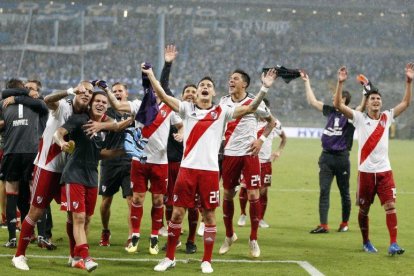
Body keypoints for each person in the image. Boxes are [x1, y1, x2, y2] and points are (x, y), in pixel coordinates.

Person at [144, 63, 277, 273]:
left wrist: (264, 88)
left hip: (209, 172)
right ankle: (169, 257)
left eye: (208, 85)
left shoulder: (222, 111)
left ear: (213, 92)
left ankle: (207, 260)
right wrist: (151, 74)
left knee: (208, 216)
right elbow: (163, 94)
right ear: (196, 94)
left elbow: (251, 108)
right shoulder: (187, 109)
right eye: (201, 86)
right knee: (177, 214)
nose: (205, 87)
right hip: (187, 170)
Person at [11, 81, 94, 270]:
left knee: (73, 216)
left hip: (69, 171)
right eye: (83, 90)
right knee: (36, 211)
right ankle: (19, 255)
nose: (86, 93)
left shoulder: (87, 115)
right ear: (76, 91)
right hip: (47, 167)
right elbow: (47, 99)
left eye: (90, 91)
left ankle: (74, 257)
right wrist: (70, 90)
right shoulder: (64, 105)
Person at [333, 64, 413, 255]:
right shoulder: (359, 118)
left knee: (390, 206)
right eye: (372, 99)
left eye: (378, 99)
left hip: (385, 172)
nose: (376, 101)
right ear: (367, 103)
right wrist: (340, 83)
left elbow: (405, 103)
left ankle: (393, 243)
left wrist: (409, 82)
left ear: (381, 103)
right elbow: (338, 105)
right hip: (366, 174)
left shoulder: (387, 117)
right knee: (364, 210)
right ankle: (366, 241)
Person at [101, 74, 183, 256]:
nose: (153, 92)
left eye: (156, 89)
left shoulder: (170, 109)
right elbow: (117, 105)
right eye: (151, 89)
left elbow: (181, 125)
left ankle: (154, 237)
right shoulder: (138, 105)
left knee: (158, 200)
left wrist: (182, 133)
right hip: (139, 161)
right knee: (137, 199)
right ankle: (135, 235)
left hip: (160, 163)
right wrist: (107, 89)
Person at [55, 91, 129, 272]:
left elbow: (100, 153)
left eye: (104, 102)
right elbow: (59, 132)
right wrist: (61, 142)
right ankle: (85, 257)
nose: (101, 104)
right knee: (78, 217)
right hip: (74, 174)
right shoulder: (80, 119)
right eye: (97, 100)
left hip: (91, 176)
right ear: (90, 104)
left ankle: (75, 256)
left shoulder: (103, 127)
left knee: (85, 219)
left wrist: (123, 152)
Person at [219, 69, 276, 258]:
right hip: (230, 154)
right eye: (230, 78)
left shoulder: (255, 102)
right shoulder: (223, 101)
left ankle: (253, 239)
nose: (231, 80)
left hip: (250, 155)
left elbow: (271, 122)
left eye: (235, 78)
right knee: (227, 194)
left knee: (253, 194)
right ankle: (229, 235)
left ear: (244, 84)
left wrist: (261, 140)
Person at [300, 71, 366, 234]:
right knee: (324, 190)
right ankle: (323, 225)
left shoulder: (351, 115)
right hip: (326, 157)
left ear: (343, 100)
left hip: (342, 158)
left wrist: (365, 91)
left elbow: (361, 107)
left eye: (337, 96)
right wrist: (306, 82)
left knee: (344, 192)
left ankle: (344, 223)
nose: (333, 99)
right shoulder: (330, 111)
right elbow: (313, 101)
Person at [159, 44, 199, 254]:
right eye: (187, 91)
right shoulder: (177, 110)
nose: (191, 94)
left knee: (193, 206)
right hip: (173, 164)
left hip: (195, 165)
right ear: (182, 97)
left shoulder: (205, 113)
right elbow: (163, 87)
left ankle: (191, 240)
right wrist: (167, 63)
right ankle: (173, 237)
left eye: (194, 91)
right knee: (169, 204)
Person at [0, 79, 48, 250]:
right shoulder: (38, 103)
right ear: (22, 90)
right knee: (36, 193)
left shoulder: (4, 104)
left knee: (11, 193)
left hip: (11, 153)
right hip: (32, 153)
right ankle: (42, 235)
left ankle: (13, 238)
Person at [238, 98, 287, 228]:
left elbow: (284, 138)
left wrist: (278, 151)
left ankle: (260, 218)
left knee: (263, 191)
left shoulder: (274, 123)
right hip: (250, 160)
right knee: (245, 189)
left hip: (265, 162)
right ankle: (243, 214)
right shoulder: (249, 120)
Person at [98, 82, 133, 248]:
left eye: (120, 91)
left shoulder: (134, 111)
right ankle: (105, 230)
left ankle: (132, 235)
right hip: (109, 161)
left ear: (126, 93)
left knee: (132, 201)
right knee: (106, 202)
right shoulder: (105, 113)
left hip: (129, 162)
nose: (117, 93)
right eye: (114, 91)